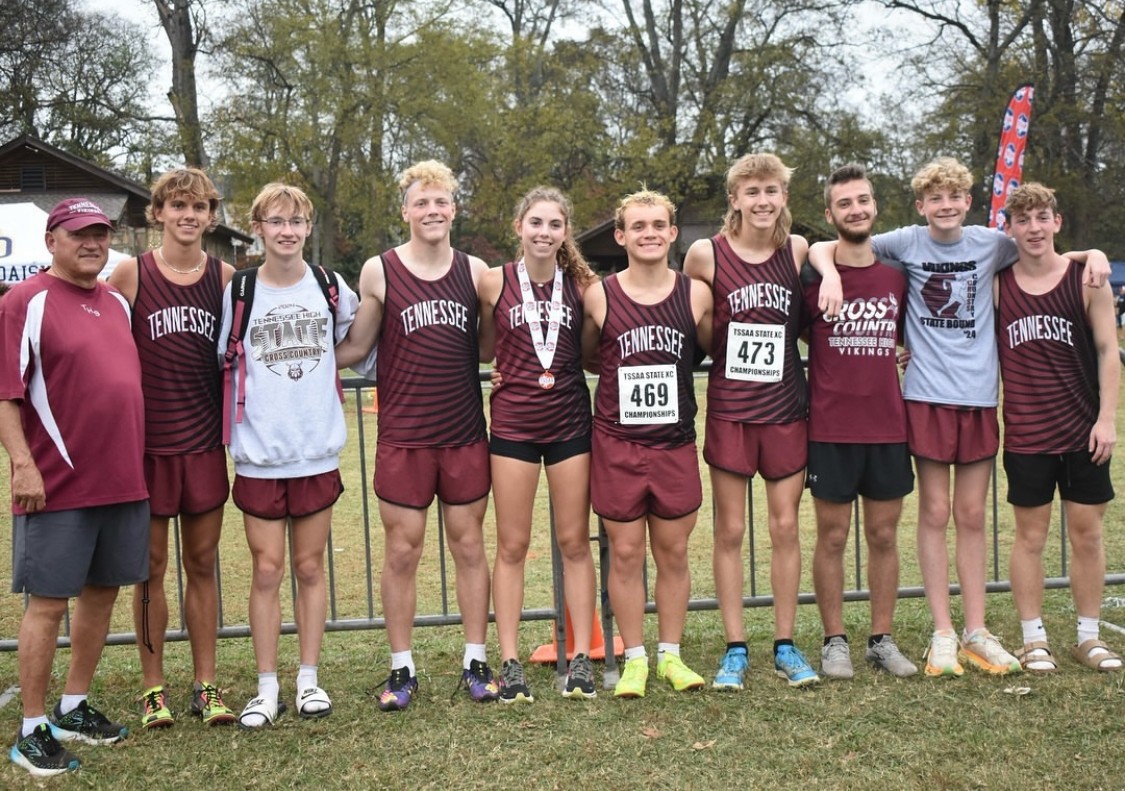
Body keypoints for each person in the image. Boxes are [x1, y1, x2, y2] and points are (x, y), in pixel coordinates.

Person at [810, 156, 1109, 677]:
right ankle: (942, 630)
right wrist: (830, 272)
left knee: (972, 517)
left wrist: (1095, 252)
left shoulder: (991, 243)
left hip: (977, 399)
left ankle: (977, 628)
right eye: (935, 198)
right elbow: (822, 245)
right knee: (934, 513)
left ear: (968, 203)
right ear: (920, 206)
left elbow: (1045, 247)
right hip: (925, 396)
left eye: (955, 197)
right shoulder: (904, 241)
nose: (946, 206)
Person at [335, 160, 497, 710]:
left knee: (470, 546)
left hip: (463, 433)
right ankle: (401, 669)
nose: (432, 210)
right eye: (420, 203)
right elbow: (356, 348)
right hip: (403, 433)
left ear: (454, 208)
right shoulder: (379, 270)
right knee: (403, 552)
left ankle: (476, 660)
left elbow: (490, 348)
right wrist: (292, 371)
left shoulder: (477, 272)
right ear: (405, 211)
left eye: (441, 201)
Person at [1, 198, 148, 776]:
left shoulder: (116, 302)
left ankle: (72, 705)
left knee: (102, 594)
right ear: (52, 239)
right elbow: (6, 394)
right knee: (47, 604)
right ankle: (33, 728)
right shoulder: (24, 301)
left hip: (121, 478)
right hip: (56, 483)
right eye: (80, 233)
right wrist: (22, 463)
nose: (92, 243)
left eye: (101, 234)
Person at [217, 183, 358, 727]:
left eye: (296, 221)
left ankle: (308, 680)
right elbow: (223, 359)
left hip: (315, 451)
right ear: (258, 227)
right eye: (276, 221)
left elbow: (353, 340)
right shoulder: (241, 290)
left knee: (309, 567)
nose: (287, 230)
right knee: (267, 570)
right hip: (260, 453)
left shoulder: (329, 284)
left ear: (308, 227)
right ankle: (267, 686)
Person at [683, 153, 824, 689]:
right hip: (731, 411)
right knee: (731, 530)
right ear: (734, 199)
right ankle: (735, 647)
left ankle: (786, 644)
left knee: (785, 527)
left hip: (786, 409)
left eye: (772, 190)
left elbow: (821, 310)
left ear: (784, 196)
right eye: (753, 191)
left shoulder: (799, 251)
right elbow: (687, 322)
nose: (763, 200)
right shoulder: (705, 254)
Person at [108, 168, 237, 728]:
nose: (189, 216)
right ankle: (153, 687)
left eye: (199, 207)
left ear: (211, 217)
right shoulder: (129, 275)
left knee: (202, 563)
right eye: (177, 206)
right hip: (147, 447)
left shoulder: (228, 278)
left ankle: (206, 684)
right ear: (156, 212)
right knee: (151, 568)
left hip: (204, 444)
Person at [581, 189, 712, 699]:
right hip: (617, 443)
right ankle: (634, 658)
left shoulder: (696, 293)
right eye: (638, 226)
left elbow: (710, 349)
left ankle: (671, 657)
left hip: (674, 443)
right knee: (628, 552)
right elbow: (590, 356)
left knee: (674, 552)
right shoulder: (600, 295)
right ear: (621, 236)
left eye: (658, 224)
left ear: (673, 233)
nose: (649, 233)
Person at [478, 187, 599, 702]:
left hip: (571, 421)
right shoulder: (492, 282)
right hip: (513, 426)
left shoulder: (584, 286)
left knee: (574, 543)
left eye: (554, 224)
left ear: (565, 232)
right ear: (519, 227)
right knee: (512, 545)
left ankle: (580, 660)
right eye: (536, 223)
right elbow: (482, 345)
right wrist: (494, 371)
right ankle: (509, 662)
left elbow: (599, 347)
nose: (544, 232)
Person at [998, 183, 1121, 673]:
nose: (1033, 228)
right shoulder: (998, 284)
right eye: (1023, 220)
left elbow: (1110, 351)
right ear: (1010, 230)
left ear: (1057, 221)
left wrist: (1107, 419)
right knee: (1029, 537)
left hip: (1082, 429)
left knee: (1087, 534)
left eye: (1041, 217)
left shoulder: (1087, 279)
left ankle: (1088, 638)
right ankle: (1033, 639)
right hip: (1027, 433)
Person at [804, 164, 917, 679]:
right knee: (831, 537)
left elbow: (913, 336)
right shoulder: (813, 276)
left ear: (875, 207)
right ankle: (834, 642)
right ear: (830, 215)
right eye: (845, 203)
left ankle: (881, 638)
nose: (856, 209)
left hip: (888, 427)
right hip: (830, 427)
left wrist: (905, 350)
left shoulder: (897, 276)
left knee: (885, 535)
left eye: (863, 200)